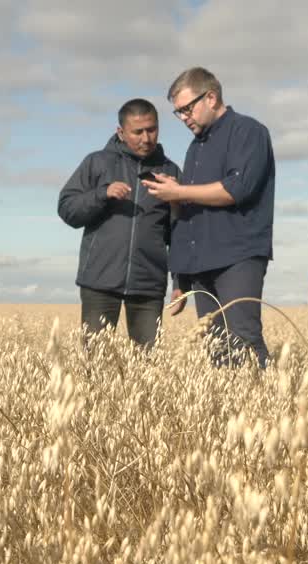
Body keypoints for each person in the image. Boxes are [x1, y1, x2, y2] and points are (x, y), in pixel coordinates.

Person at [142, 67, 275, 368]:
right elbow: (188, 212)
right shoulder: (195, 148)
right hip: (200, 263)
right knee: (216, 346)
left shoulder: (249, 131)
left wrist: (178, 192)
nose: (184, 118)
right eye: (178, 113)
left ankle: (267, 409)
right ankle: (230, 412)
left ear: (211, 97)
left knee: (244, 340)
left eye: (187, 109)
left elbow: (236, 189)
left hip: (238, 256)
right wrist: (180, 276)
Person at [58, 98, 183, 350]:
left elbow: (180, 233)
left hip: (148, 285)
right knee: (94, 363)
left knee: (147, 367)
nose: (146, 138)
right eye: (138, 132)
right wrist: (102, 194)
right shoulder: (97, 163)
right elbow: (67, 209)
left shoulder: (170, 172)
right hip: (99, 282)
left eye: (152, 129)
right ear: (120, 132)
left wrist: (180, 283)